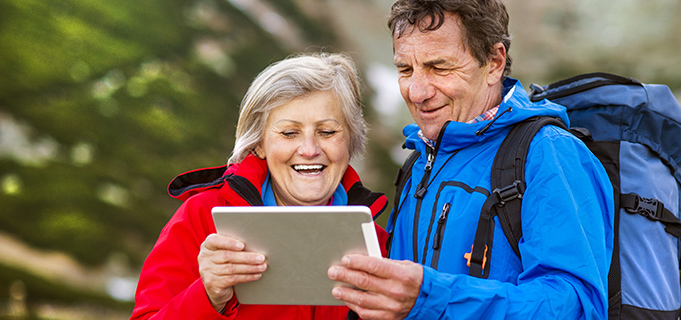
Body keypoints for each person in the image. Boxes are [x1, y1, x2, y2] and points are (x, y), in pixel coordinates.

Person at [327, 1, 614, 319]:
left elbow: (575, 306)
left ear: (493, 62)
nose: (417, 91)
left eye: (439, 67)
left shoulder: (549, 153)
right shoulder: (419, 162)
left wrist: (432, 298)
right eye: (405, 70)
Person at [131, 53, 390, 320]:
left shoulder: (378, 244)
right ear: (258, 144)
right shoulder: (201, 216)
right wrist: (208, 296)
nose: (310, 150)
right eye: (289, 133)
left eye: (327, 132)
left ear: (350, 141)